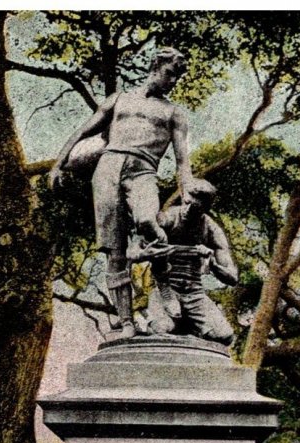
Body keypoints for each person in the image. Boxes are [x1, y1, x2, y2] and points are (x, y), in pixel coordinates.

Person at [50, 48, 194, 338]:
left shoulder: (174, 113)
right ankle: (126, 321)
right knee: (114, 251)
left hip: (144, 170)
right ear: (155, 66)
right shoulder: (119, 99)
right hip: (108, 167)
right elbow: (82, 132)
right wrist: (58, 164)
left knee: (147, 221)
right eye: (170, 73)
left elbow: (182, 160)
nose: (173, 81)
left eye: (177, 78)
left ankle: (163, 279)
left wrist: (186, 189)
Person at [145, 178, 238, 345]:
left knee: (225, 336)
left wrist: (212, 265)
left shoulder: (211, 229)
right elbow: (139, 250)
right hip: (166, 288)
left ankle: (189, 326)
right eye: (186, 202)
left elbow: (232, 277)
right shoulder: (168, 218)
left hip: (195, 293)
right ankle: (152, 320)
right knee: (162, 329)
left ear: (204, 209)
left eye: (194, 208)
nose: (187, 209)